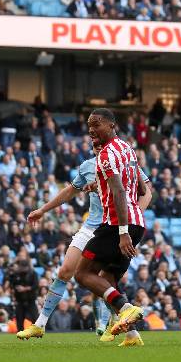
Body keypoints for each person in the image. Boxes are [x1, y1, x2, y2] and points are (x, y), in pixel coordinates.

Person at [16, 146, 151, 346]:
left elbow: (146, 191)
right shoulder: (87, 166)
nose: (98, 146)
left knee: (105, 279)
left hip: (113, 225)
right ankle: (40, 324)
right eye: (94, 142)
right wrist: (43, 209)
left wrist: (133, 215)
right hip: (91, 227)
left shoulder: (122, 161)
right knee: (65, 271)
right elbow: (70, 190)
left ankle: (128, 330)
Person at [73, 108, 147, 347]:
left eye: (96, 124)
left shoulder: (105, 155)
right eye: (89, 125)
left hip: (117, 224)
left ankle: (126, 309)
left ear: (111, 125)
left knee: (83, 274)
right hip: (136, 222)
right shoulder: (128, 149)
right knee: (106, 279)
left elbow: (118, 191)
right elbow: (142, 190)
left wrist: (123, 233)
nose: (91, 129)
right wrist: (100, 185)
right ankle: (132, 335)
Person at [8, 256, 39, 332]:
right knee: (19, 318)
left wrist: (25, 289)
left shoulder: (33, 274)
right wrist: (16, 288)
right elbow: (12, 284)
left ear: (28, 267)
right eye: (22, 267)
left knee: (34, 317)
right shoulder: (16, 274)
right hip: (20, 300)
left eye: (24, 267)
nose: (23, 269)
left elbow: (35, 285)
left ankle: (37, 332)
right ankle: (20, 333)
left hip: (30, 300)